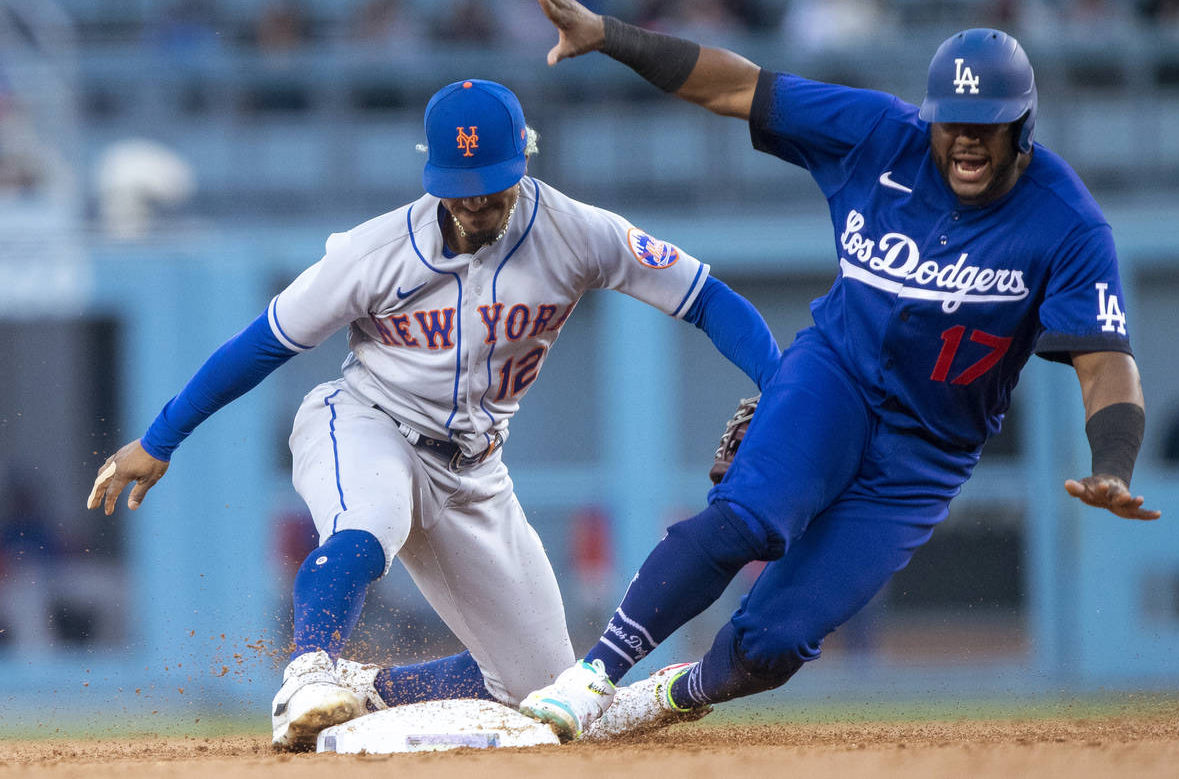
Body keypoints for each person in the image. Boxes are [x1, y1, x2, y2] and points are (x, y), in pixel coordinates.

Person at [518, 0, 1159, 741]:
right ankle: (592, 675)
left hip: (928, 450)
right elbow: (738, 87)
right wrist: (610, 35)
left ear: (1022, 125)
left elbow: (1105, 363)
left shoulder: (1068, 222)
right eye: (950, 119)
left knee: (773, 644)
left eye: (984, 123)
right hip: (837, 376)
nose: (963, 138)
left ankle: (659, 698)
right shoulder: (880, 134)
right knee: (749, 517)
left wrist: (1114, 461)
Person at [87, 78, 781, 749]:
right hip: (364, 422)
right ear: (431, 170)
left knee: (533, 685)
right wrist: (161, 435)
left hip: (475, 470)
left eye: (492, 185)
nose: (476, 202)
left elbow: (707, 298)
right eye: (460, 187)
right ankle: (306, 672)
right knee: (368, 524)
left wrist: (784, 388)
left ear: (524, 162)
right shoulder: (375, 249)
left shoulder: (578, 232)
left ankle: (367, 689)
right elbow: (262, 343)